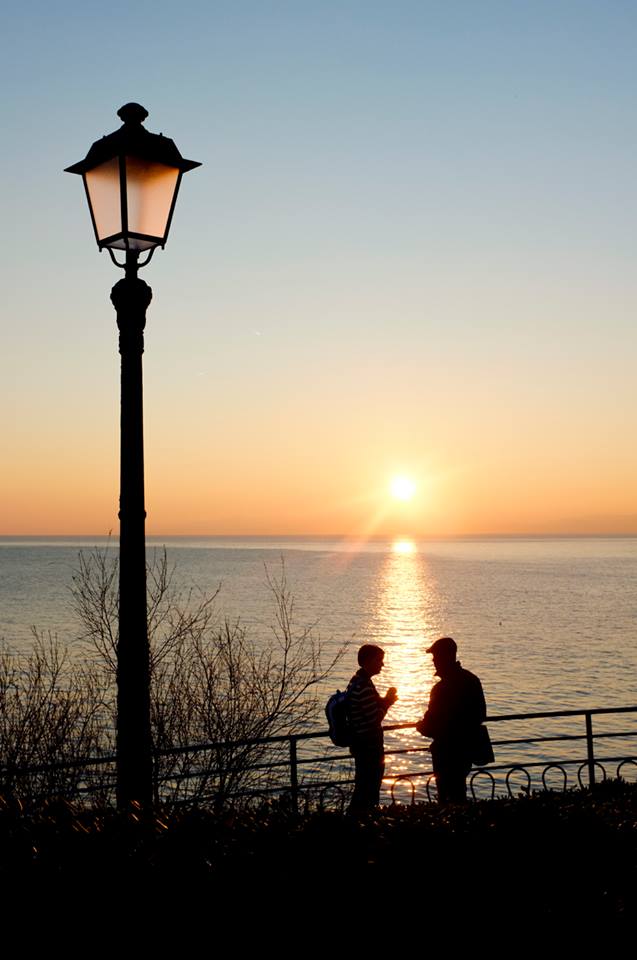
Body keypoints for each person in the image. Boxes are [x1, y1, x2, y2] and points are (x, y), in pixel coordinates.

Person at [416, 636, 487, 803]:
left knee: (445, 796)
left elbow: (430, 724)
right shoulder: (472, 680)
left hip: (445, 751)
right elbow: (481, 714)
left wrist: (420, 726)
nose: (433, 661)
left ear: (444, 657)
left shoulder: (440, 689)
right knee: (459, 792)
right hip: (467, 748)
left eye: (435, 656)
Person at [347, 644, 398, 814]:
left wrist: (384, 701)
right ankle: (362, 823)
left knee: (363, 787)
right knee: (368, 789)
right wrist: (388, 703)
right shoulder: (364, 685)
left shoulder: (357, 681)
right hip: (368, 746)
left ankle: (359, 821)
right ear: (368, 661)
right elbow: (374, 718)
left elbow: (367, 708)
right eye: (379, 660)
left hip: (361, 744)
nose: (382, 664)